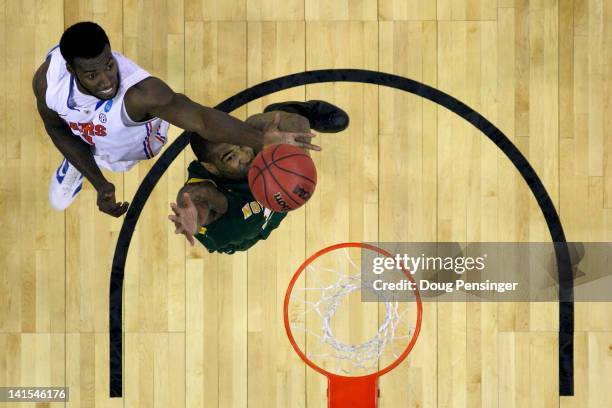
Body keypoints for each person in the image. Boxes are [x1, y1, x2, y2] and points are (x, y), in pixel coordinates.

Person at [32, 22, 318, 217]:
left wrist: (260, 140)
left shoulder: (143, 94)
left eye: (109, 65)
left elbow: (203, 120)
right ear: (70, 69)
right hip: (89, 134)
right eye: (93, 75)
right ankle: (78, 163)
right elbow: (55, 126)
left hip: (135, 142)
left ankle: (84, 157)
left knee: (111, 154)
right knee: (77, 153)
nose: (107, 80)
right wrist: (99, 182)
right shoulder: (48, 83)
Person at [168, 101, 349, 254]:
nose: (246, 156)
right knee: (275, 150)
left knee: (292, 127)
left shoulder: (251, 150)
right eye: (230, 156)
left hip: (271, 205)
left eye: (242, 145)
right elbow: (198, 196)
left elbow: (255, 143)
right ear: (210, 167)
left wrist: (298, 164)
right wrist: (193, 216)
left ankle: (293, 110)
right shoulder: (209, 187)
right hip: (242, 235)